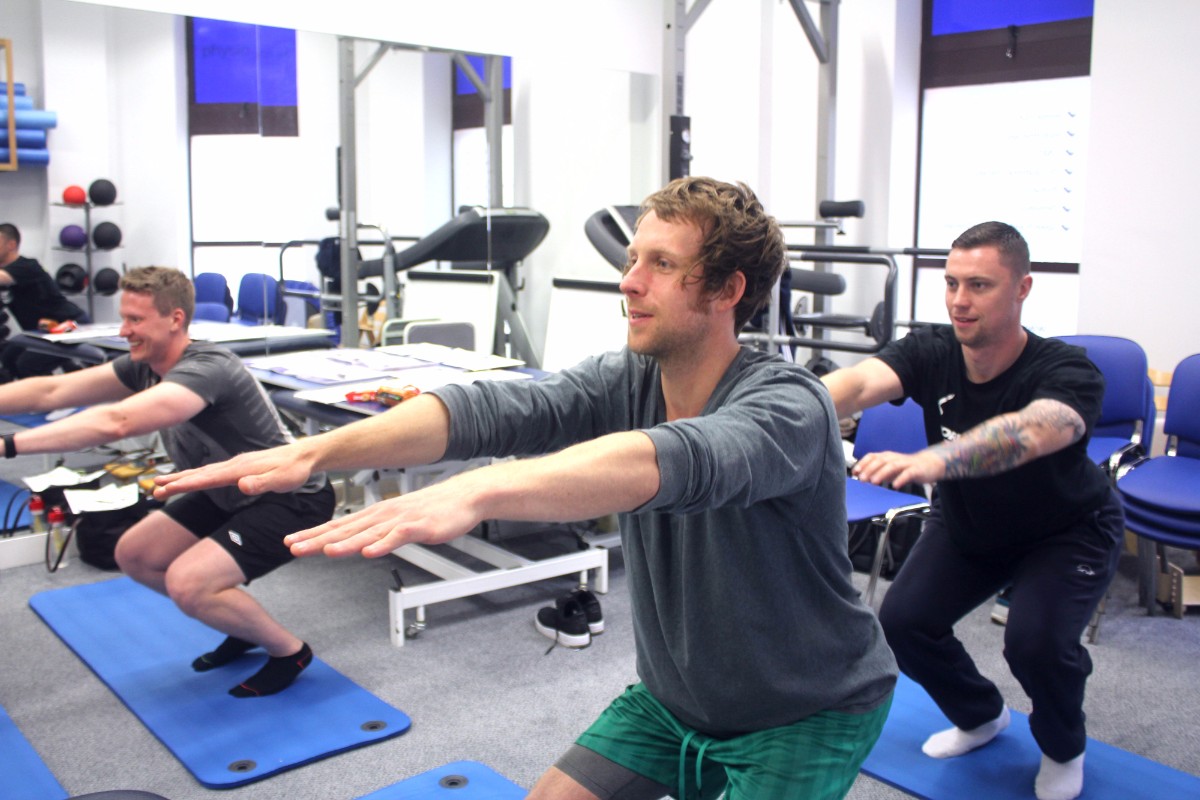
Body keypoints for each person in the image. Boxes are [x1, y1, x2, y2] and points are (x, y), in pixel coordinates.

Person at [156, 177, 898, 800]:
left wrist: (483, 492)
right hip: (677, 702)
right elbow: (501, 407)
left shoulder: (788, 404)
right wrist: (317, 451)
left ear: (727, 290)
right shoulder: (628, 375)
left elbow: (672, 460)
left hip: (804, 710)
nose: (629, 280)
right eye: (633, 257)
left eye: (662, 265)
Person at [822, 221, 1122, 800]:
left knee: (1034, 643)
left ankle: (1063, 748)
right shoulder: (932, 349)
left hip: (1066, 531)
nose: (960, 301)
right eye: (952, 283)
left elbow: (1035, 430)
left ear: (1022, 289)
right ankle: (981, 715)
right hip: (970, 524)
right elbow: (859, 383)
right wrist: (773, 407)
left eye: (979, 285)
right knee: (904, 624)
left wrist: (936, 459)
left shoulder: (1068, 368)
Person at [0, 266, 334, 697]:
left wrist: (9, 446)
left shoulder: (207, 368)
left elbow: (118, 422)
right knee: (135, 554)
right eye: (124, 319)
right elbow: (51, 393)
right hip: (222, 489)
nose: (124, 331)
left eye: (136, 321)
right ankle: (237, 622)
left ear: (175, 319)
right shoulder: (144, 366)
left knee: (187, 582)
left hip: (288, 497)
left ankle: (290, 651)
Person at [0, 223, 92, 380]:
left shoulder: (27, 266)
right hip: (41, 332)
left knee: (27, 364)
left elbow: (4, 277)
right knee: (8, 356)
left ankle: (48, 398)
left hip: (69, 325)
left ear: (11, 245)